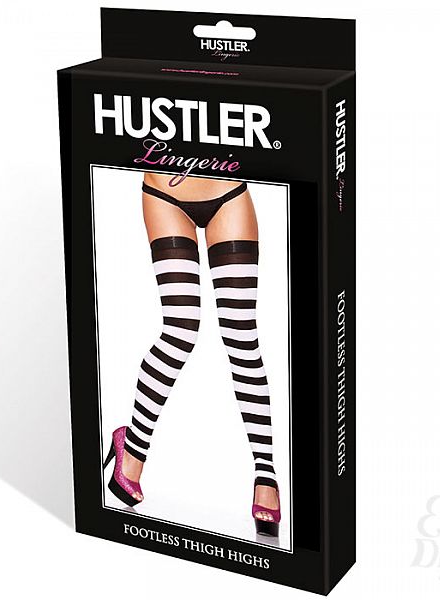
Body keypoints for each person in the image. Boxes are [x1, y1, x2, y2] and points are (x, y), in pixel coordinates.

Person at [103, 173, 281, 536]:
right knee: (180, 329)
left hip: (227, 191)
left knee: (241, 334)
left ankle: (266, 472)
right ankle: (132, 449)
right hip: (163, 194)